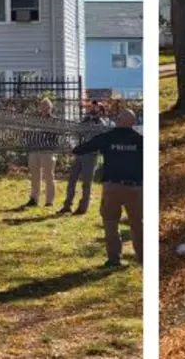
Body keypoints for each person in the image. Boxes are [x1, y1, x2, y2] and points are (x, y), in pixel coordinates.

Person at [72, 109, 142, 268]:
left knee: (110, 222)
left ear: (118, 120)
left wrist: (74, 150)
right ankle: (143, 257)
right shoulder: (140, 140)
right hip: (135, 188)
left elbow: (83, 148)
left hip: (112, 187)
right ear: (133, 123)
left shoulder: (107, 137)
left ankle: (114, 258)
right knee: (137, 223)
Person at [60, 102, 103, 215]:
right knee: (72, 179)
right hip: (80, 154)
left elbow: (99, 138)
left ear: (99, 109)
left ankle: (83, 207)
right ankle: (67, 205)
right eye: (91, 106)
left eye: (95, 106)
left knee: (86, 182)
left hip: (90, 155)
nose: (92, 108)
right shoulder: (85, 120)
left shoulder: (100, 123)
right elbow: (77, 133)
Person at [24, 98, 57, 208]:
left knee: (49, 175)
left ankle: (49, 201)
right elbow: (30, 134)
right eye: (42, 107)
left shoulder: (54, 121)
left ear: (50, 108)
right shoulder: (36, 121)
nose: (44, 109)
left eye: (46, 107)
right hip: (35, 150)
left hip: (47, 151)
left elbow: (55, 138)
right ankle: (34, 199)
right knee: (35, 175)